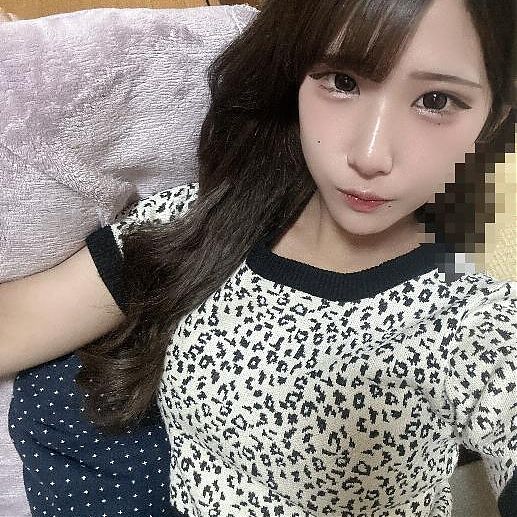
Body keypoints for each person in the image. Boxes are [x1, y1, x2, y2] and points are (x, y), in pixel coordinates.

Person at [1, 0, 516, 516]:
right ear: (292, 78)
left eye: (436, 100)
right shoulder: (196, 225)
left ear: (494, 117)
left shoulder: (472, 322)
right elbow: (20, 320)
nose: (370, 155)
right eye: (342, 81)